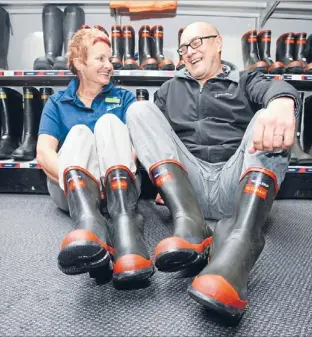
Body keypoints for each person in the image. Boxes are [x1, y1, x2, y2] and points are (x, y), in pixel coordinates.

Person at [126, 22, 300, 321]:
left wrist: (283, 102)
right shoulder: (170, 88)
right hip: (187, 189)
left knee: (266, 116)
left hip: (235, 184)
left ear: (218, 43)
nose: (189, 53)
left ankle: (244, 242)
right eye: (183, 48)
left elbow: (275, 87)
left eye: (197, 44)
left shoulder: (246, 80)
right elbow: (155, 136)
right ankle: (191, 225)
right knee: (138, 110)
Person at [36, 28, 154, 285]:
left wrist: (105, 182)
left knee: (110, 123)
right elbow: (44, 153)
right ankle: (88, 223)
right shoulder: (57, 102)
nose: (109, 65)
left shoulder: (123, 98)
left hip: (118, 186)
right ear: (79, 63)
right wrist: (88, 185)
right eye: (100, 59)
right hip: (73, 190)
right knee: (79, 133)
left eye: (109, 59)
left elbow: (136, 148)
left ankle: (126, 230)